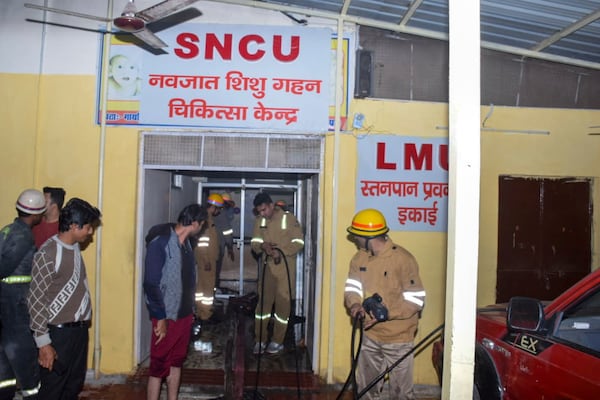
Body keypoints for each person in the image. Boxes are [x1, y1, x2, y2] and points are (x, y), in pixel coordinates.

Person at [343, 209, 426, 400]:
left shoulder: (403, 259)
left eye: (357, 235)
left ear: (367, 236)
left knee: (400, 394)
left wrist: (387, 314)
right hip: (370, 336)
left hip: (399, 339)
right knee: (365, 391)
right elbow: (352, 287)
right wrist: (355, 305)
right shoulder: (359, 258)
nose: (355, 239)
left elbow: (416, 300)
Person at [27, 197, 102, 400]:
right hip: (58, 335)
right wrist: (43, 344)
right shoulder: (48, 253)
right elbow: (36, 300)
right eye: (88, 227)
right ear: (74, 226)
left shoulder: (74, 247)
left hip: (78, 332)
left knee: (72, 386)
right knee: (53, 389)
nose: (90, 232)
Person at [143, 203, 207, 400]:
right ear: (195, 223)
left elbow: (188, 281)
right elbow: (151, 284)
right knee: (157, 367)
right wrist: (160, 317)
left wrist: (192, 311)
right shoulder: (161, 243)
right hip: (166, 316)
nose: (202, 228)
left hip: (184, 316)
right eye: (202, 224)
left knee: (176, 362)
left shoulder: (187, 245)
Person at [0, 189, 46, 400]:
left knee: (4, 363)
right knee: (25, 361)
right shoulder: (23, 236)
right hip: (16, 307)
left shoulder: (7, 230)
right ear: (36, 214)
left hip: (5, 306)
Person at [251, 192, 304, 355]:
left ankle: (277, 341)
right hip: (268, 269)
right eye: (259, 211)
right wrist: (263, 247)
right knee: (263, 306)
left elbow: (299, 242)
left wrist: (281, 252)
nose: (262, 214)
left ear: (272, 205)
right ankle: (260, 340)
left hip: (285, 269)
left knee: (282, 307)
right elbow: (254, 243)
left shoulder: (289, 219)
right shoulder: (260, 221)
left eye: (264, 210)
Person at [194, 194, 224, 321]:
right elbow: (203, 242)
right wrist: (206, 260)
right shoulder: (206, 220)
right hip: (207, 260)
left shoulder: (206, 218)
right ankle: (206, 314)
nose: (219, 211)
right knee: (208, 287)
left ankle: (200, 311)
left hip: (204, 259)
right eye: (219, 208)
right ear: (214, 207)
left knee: (201, 286)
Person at [212, 193, 235, 289]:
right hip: (217, 249)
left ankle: (211, 296)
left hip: (209, 249)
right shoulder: (223, 215)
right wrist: (230, 247)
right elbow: (227, 233)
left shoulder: (213, 213)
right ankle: (212, 296)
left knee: (209, 275)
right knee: (214, 274)